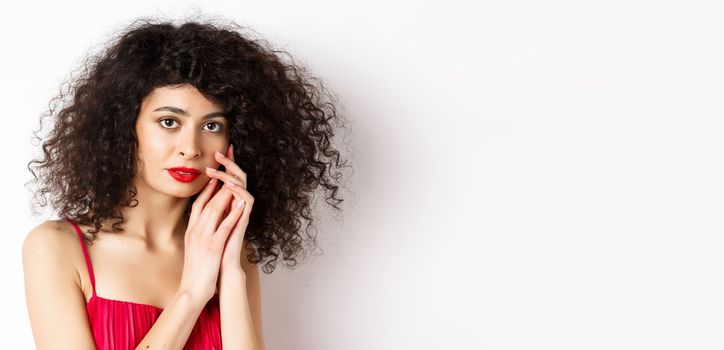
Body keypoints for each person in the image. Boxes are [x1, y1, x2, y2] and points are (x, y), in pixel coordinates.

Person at [22, 16, 349, 350]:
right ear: (123, 128)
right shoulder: (58, 247)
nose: (191, 149)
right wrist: (192, 292)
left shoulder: (234, 255)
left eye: (211, 127)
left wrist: (231, 273)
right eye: (168, 122)